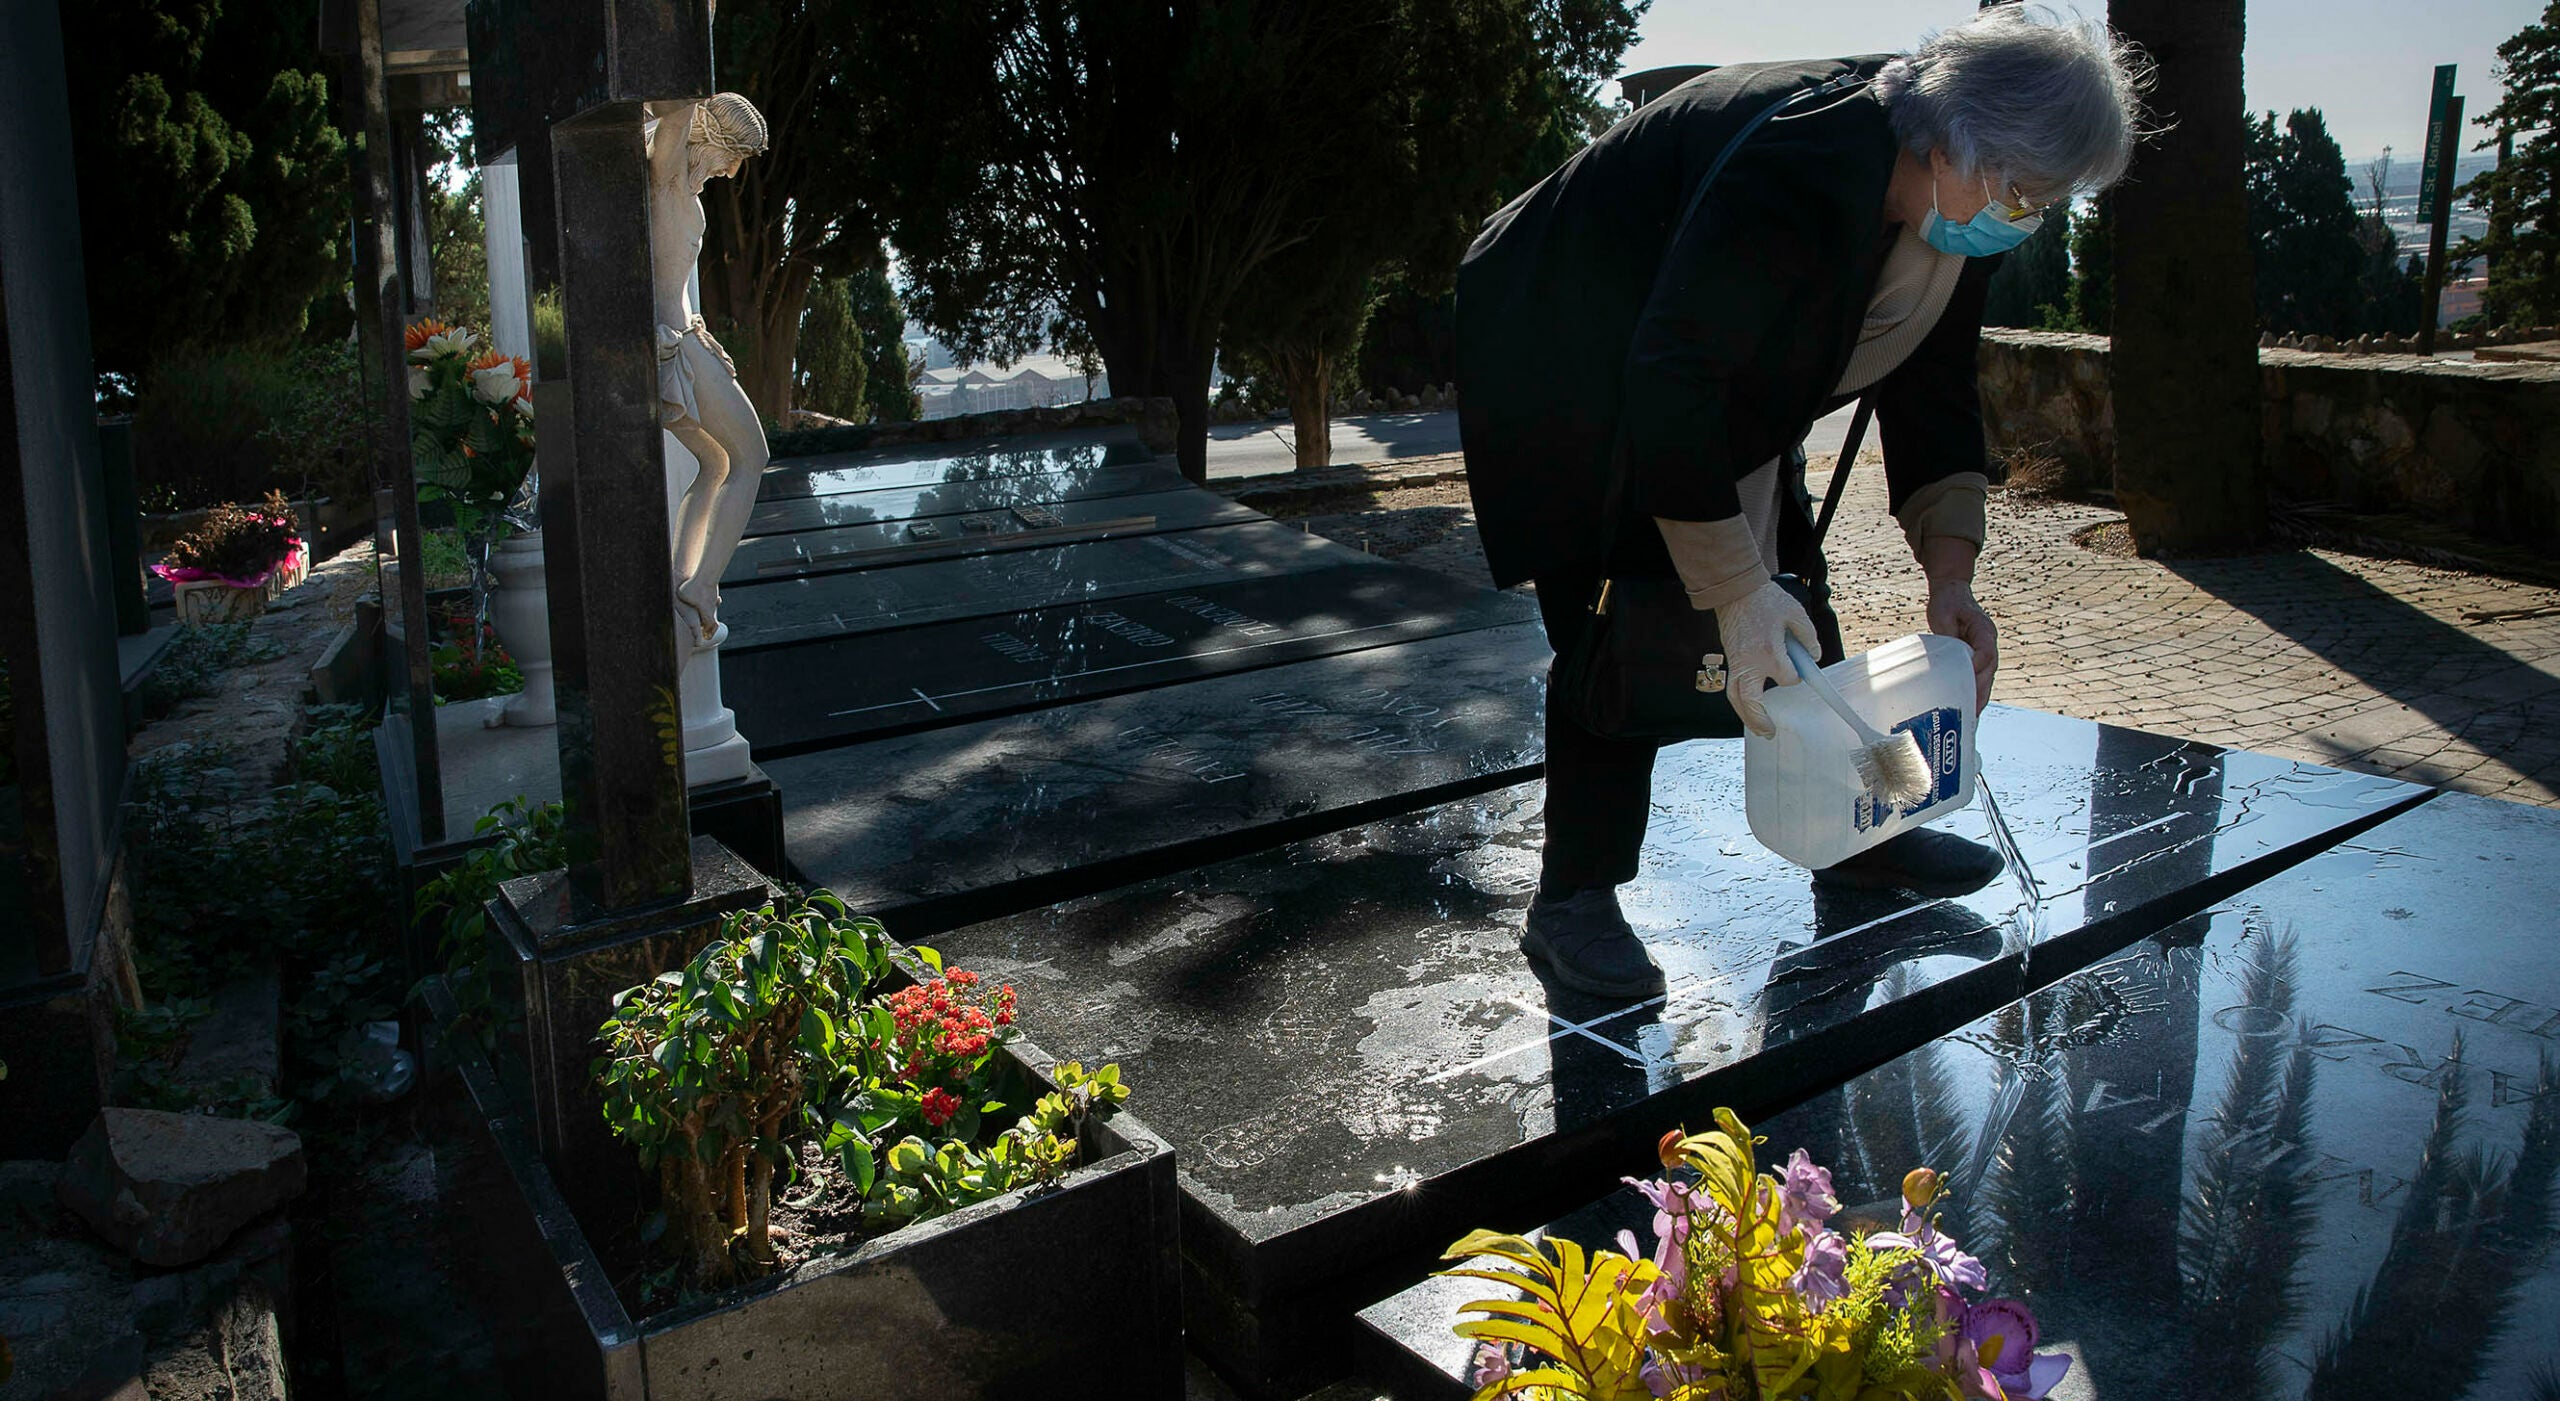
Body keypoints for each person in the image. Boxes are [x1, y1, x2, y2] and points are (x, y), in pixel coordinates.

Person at [1455, 7, 2151, 997]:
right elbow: (1675, 371)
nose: (2032, 212)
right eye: (2029, 188)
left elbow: (1934, 385)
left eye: (2050, 196)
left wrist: (1950, 575)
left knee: (1792, 592)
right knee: (1624, 618)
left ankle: (1858, 836)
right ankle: (1572, 901)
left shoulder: (1962, 196)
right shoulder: (1803, 159)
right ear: (1959, 144)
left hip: (1695, 359)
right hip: (1570, 352)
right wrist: (1731, 591)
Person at [645, 92, 772, 647]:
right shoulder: (667, 177)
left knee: (717, 461)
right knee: (753, 456)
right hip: (677, 345)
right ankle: (704, 584)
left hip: (684, 338)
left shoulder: (676, 185)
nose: (733, 169)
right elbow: (673, 101)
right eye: (735, 153)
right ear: (712, 140)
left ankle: (685, 577)